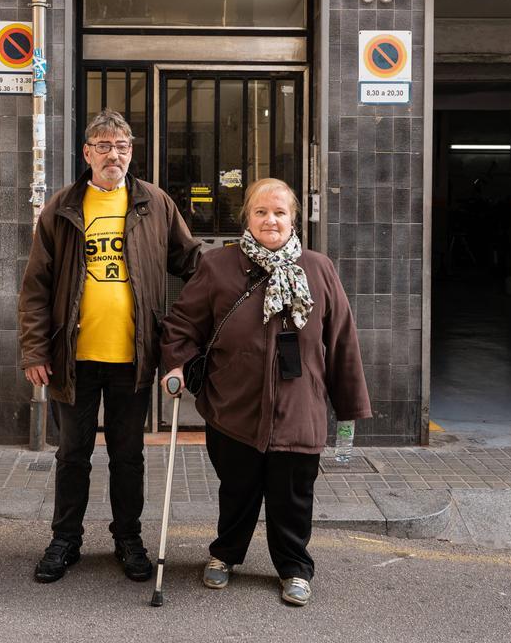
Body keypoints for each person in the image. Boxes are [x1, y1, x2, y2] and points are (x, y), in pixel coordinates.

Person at [160, 178, 370, 607]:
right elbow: (182, 323)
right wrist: (175, 365)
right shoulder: (219, 266)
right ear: (247, 218)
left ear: (293, 218)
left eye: (278, 212)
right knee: (236, 488)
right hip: (233, 405)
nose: (270, 220)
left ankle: (294, 566)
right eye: (260, 212)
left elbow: (342, 338)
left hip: (300, 408)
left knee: (292, 494)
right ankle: (225, 554)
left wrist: (347, 404)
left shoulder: (319, 268)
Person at [19, 109, 201, 584]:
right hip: (72, 360)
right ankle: (65, 540)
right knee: (72, 455)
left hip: (133, 360)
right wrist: (34, 350)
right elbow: (36, 286)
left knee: (128, 457)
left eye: (121, 146)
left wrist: (243, 262)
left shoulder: (154, 204)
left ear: (131, 152)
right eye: (103, 146)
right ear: (86, 153)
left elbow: (191, 260)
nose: (113, 154)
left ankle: (128, 539)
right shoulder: (62, 207)